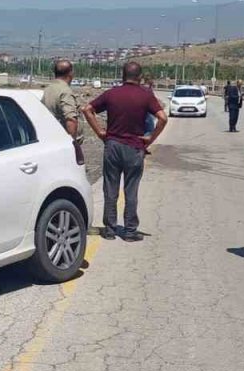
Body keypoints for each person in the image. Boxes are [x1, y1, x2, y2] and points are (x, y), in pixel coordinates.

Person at [82, 62, 167, 242]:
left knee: (110, 189)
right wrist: (150, 138)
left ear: (123, 75)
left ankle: (110, 229)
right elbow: (162, 118)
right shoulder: (146, 95)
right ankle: (129, 231)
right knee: (131, 190)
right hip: (135, 147)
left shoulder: (112, 94)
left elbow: (87, 109)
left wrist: (99, 132)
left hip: (112, 145)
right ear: (139, 77)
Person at [42, 59, 83, 162]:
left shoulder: (49, 89)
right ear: (70, 73)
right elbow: (71, 120)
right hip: (64, 145)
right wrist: (73, 145)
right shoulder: (65, 91)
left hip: (52, 140)